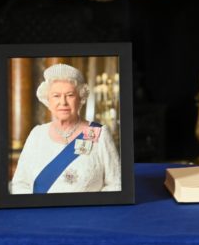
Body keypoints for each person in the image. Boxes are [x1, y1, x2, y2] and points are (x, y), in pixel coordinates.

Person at [11, 63, 121, 194]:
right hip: (41, 213)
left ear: (80, 98)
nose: (63, 102)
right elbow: (19, 184)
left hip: (86, 213)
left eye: (70, 95)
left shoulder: (99, 133)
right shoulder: (37, 134)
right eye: (56, 96)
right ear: (48, 100)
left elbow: (116, 184)